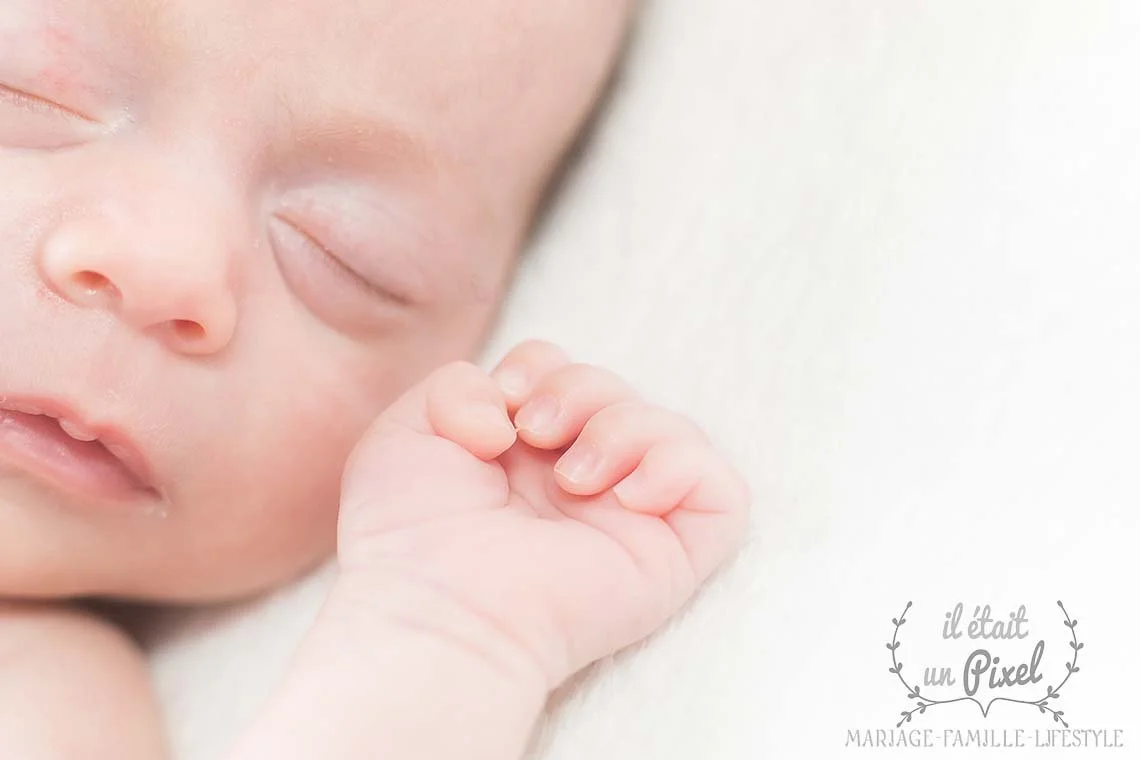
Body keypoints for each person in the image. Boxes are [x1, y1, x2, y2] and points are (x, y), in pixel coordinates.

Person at [0, 1, 751, 757]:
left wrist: (441, 633)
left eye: (343, 255)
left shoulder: (42, 700)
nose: (166, 264)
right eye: (25, 93)